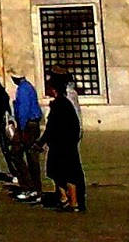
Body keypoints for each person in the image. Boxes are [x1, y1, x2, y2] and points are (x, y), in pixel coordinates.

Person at [41, 76, 84, 213]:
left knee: (59, 173)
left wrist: (41, 142)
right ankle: (69, 200)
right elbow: (75, 125)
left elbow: (51, 127)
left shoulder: (58, 105)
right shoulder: (67, 104)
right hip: (67, 144)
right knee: (67, 173)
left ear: (54, 90)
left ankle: (69, 200)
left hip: (60, 145)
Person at [8, 72, 43, 201]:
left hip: (27, 126)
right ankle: (35, 188)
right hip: (32, 124)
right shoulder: (29, 86)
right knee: (31, 156)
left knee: (17, 154)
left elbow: (23, 110)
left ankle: (29, 187)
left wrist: (21, 129)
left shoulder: (22, 90)